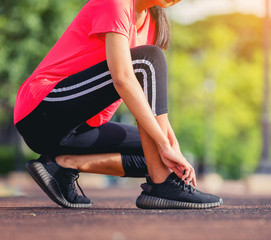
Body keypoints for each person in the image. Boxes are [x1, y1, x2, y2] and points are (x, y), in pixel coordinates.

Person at [14, 0, 222, 209]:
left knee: (157, 156)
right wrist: (164, 144)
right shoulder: (117, 3)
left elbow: (148, 101)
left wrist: (172, 147)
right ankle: (163, 186)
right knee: (150, 60)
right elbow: (122, 78)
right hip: (41, 110)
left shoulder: (152, 23)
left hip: (78, 130)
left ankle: (61, 165)